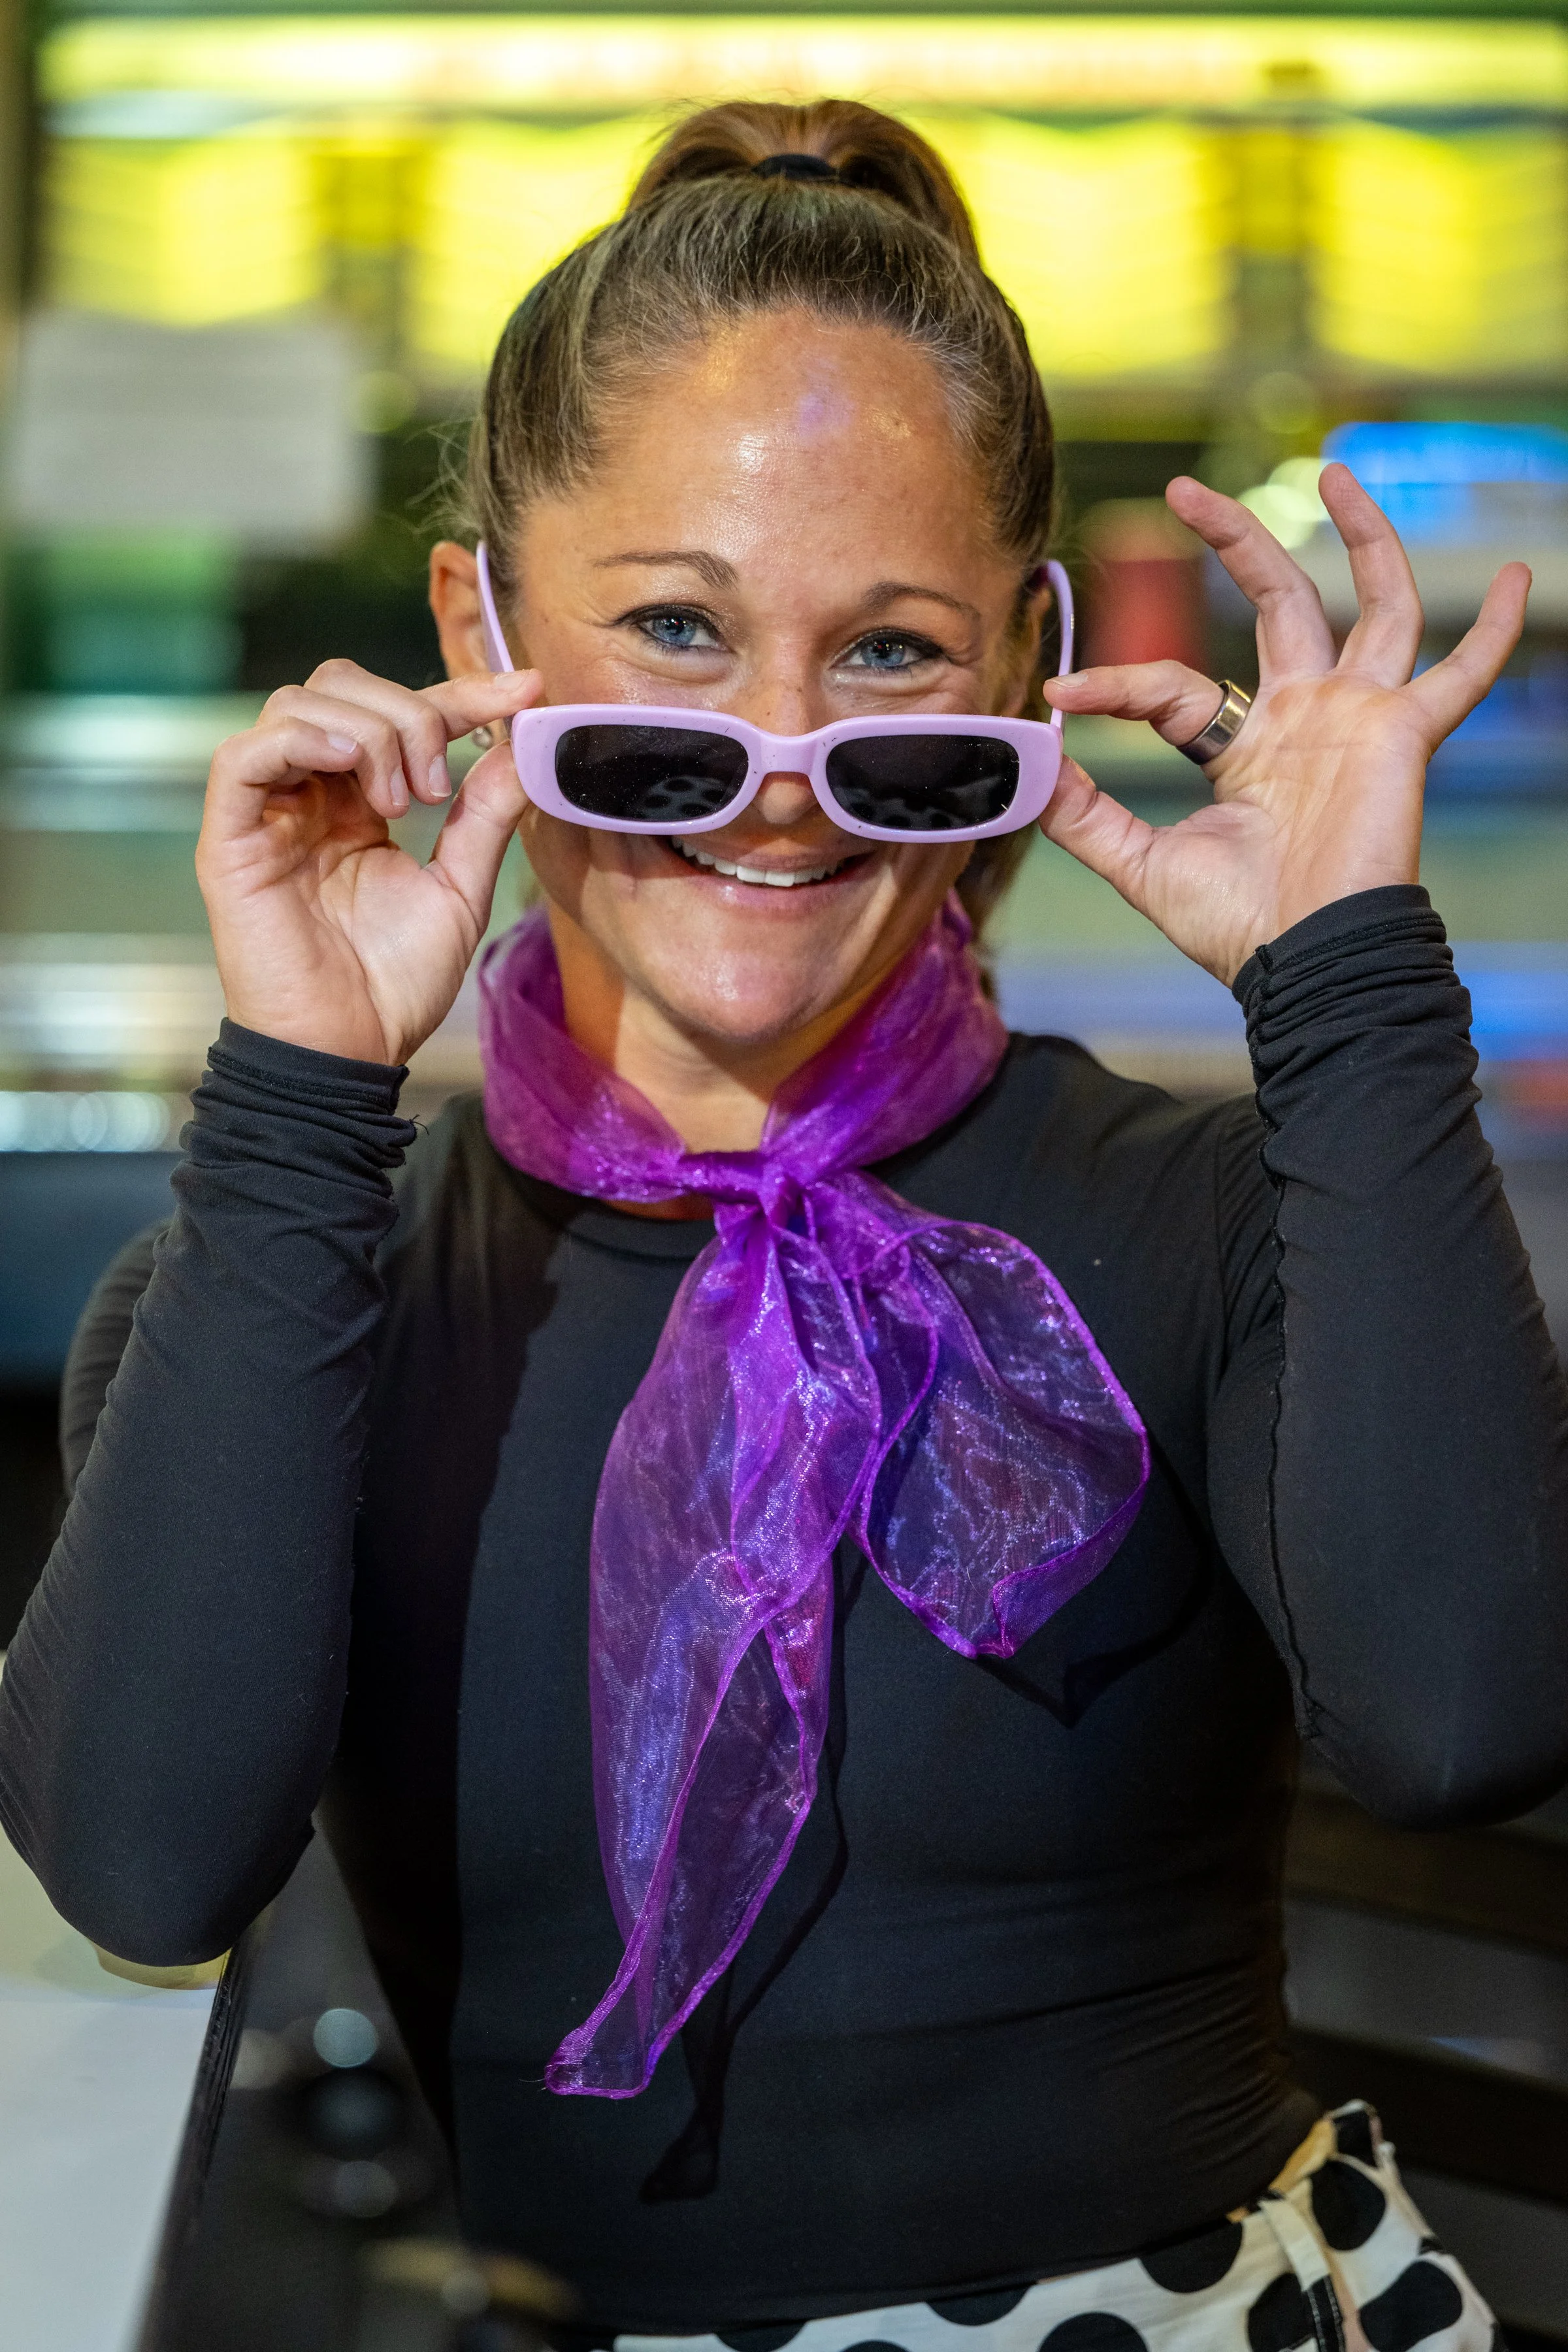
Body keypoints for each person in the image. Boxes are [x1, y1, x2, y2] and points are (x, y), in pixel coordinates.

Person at [2, 97, 1565, 2352]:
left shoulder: (1208, 1214)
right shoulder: (290, 1281)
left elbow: (1467, 1717)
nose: (777, 767)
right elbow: (142, 1866)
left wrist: (1346, 977)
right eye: (671, 629)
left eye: (894, 654)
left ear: (1034, 663)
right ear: (482, 624)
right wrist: (296, 1101)